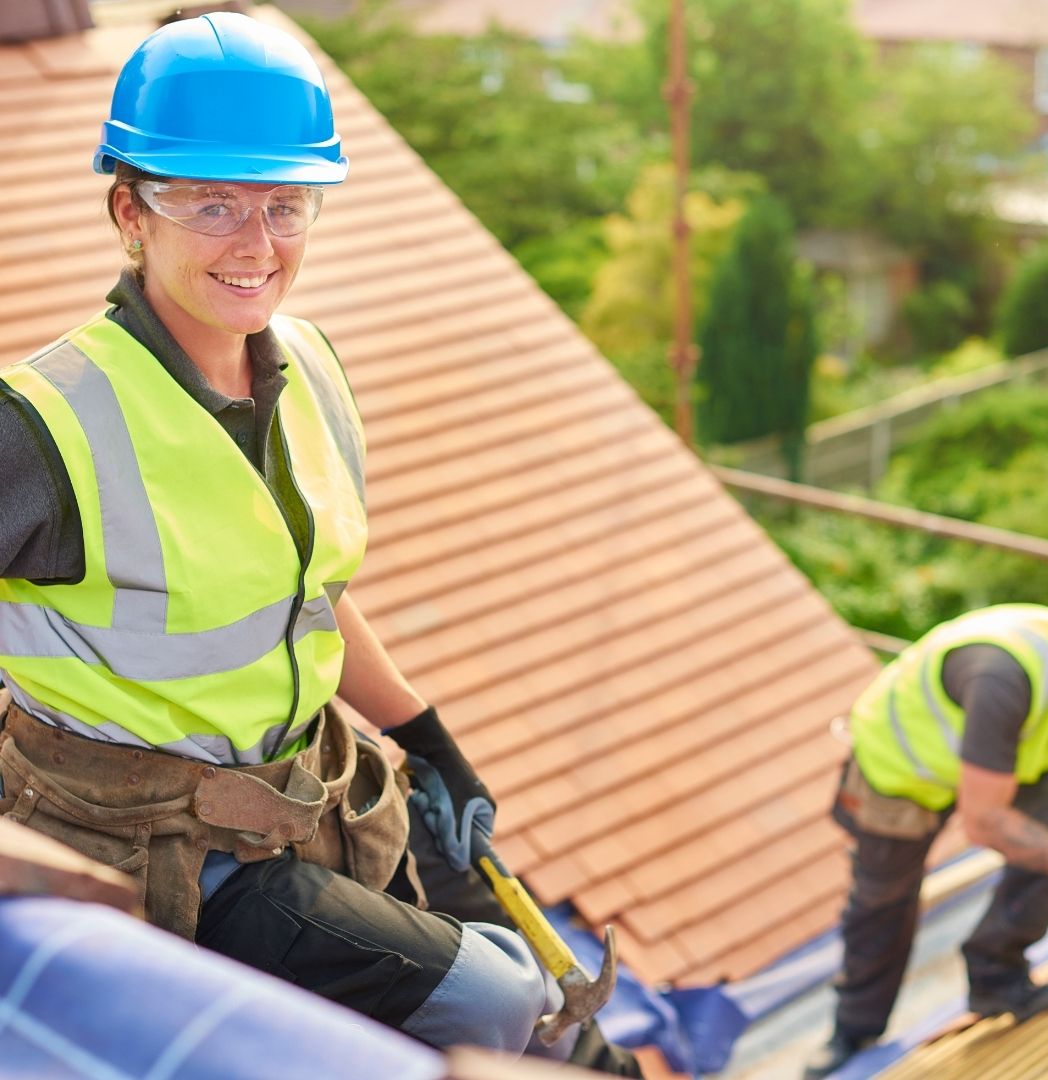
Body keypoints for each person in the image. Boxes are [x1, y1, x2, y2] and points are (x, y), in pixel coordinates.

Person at [0, 12, 639, 1076]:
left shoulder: (306, 367)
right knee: (494, 993)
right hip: (156, 845)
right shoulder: (42, 425)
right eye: (212, 203)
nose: (257, 244)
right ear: (130, 212)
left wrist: (426, 736)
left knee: (530, 982)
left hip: (305, 792)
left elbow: (307, 590)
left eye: (285, 204)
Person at [805, 603, 1048, 1079]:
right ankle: (854, 1031)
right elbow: (986, 822)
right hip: (904, 768)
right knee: (884, 897)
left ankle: (997, 977)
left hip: (1024, 756)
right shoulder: (1003, 674)